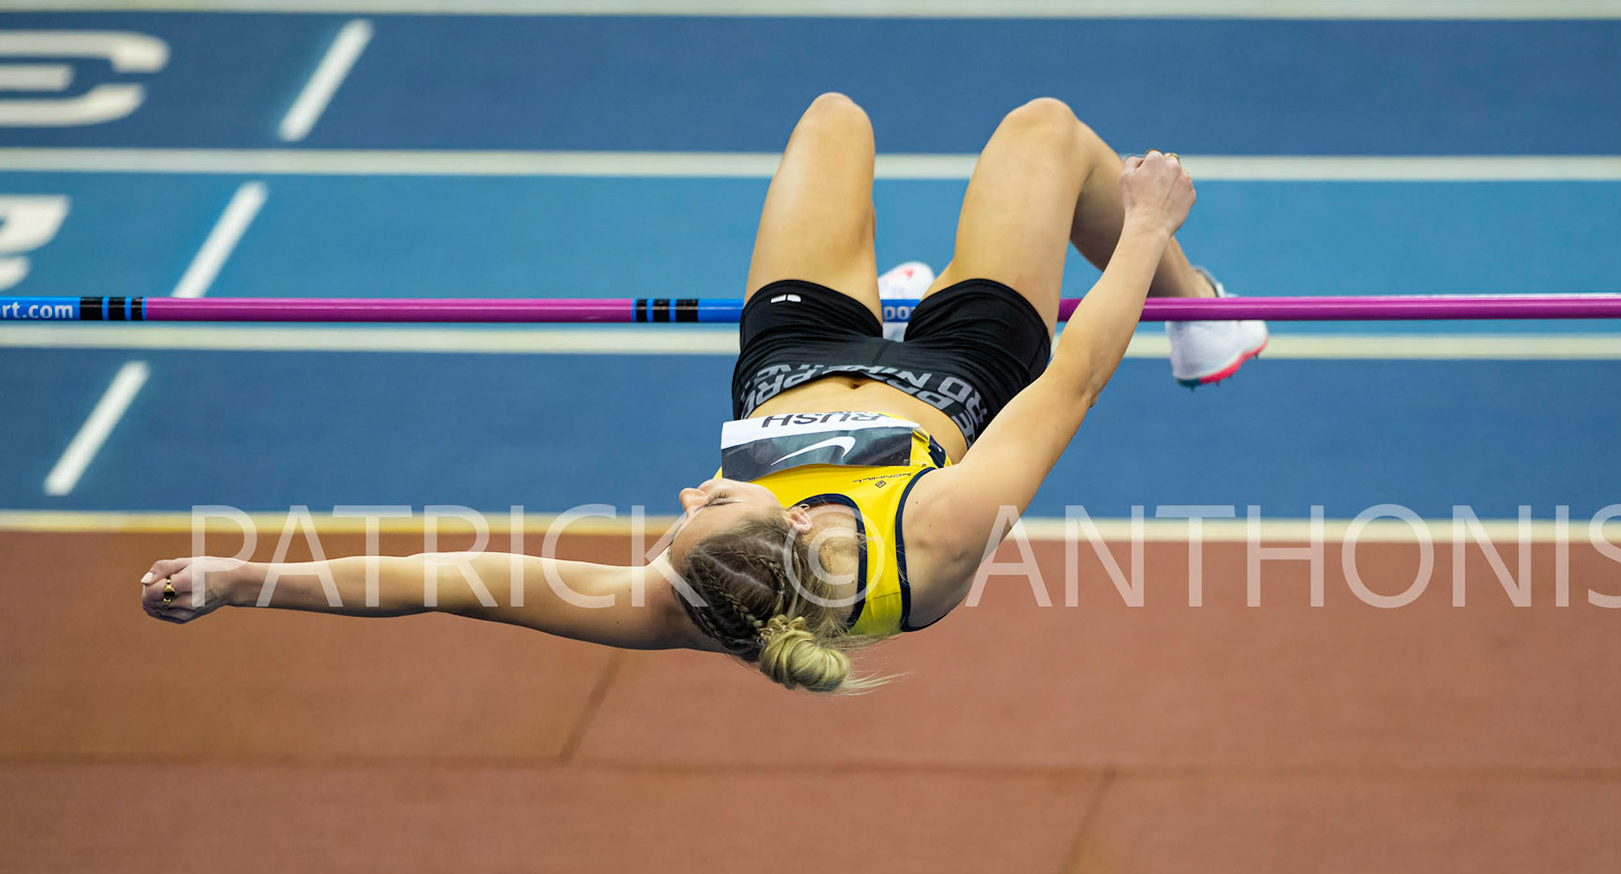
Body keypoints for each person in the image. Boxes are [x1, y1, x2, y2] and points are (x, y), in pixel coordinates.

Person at [140, 94, 1269, 693]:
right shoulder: (933, 531)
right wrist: (1152, 234)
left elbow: (454, 578)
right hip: (957, 376)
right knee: (1047, 131)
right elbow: (1072, 379)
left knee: (835, 119)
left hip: (793, 360)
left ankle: (884, 299)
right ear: (783, 521)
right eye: (709, 501)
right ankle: (1207, 318)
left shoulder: (683, 593)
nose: (691, 484)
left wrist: (247, 579)